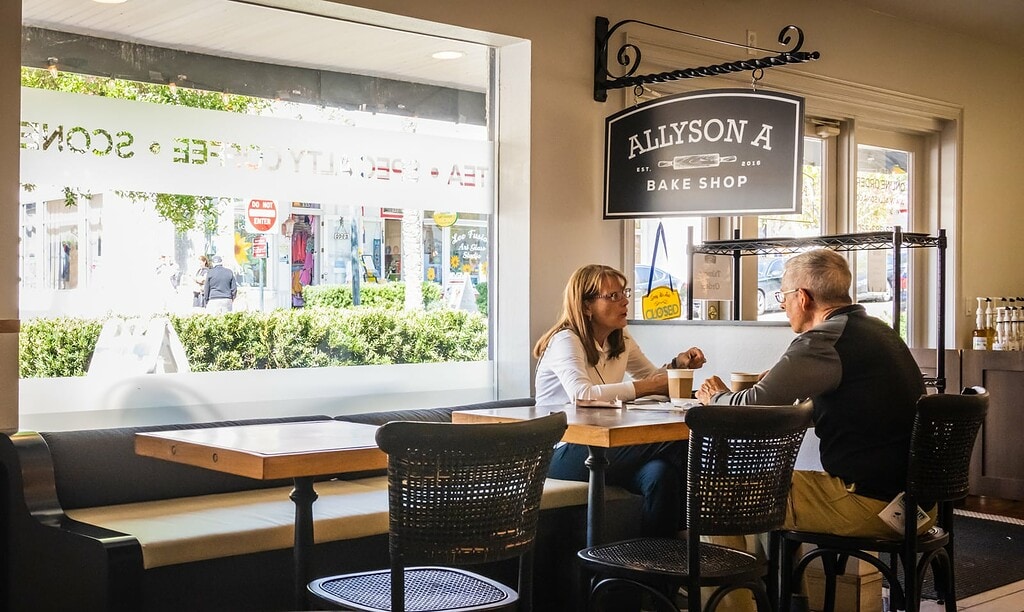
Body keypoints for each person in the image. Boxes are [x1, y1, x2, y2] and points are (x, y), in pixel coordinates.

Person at [696, 249, 928, 539]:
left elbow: (751, 407)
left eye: (783, 296)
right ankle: (781, 586)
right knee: (775, 490)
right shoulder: (878, 331)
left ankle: (734, 586)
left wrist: (715, 396)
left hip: (872, 505)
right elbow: (860, 411)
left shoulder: (822, 341)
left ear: (803, 297)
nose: (783, 305)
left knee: (719, 496)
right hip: (918, 505)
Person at [534, 263, 706, 537]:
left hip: (605, 440)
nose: (625, 300)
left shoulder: (620, 339)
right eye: (612, 296)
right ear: (587, 305)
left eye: (624, 293)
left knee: (661, 475)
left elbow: (652, 377)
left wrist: (678, 364)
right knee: (679, 440)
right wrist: (645, 387)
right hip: (562, 449)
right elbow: (583, 395)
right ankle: (698, 536)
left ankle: (653, 571)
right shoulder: (566, 340)